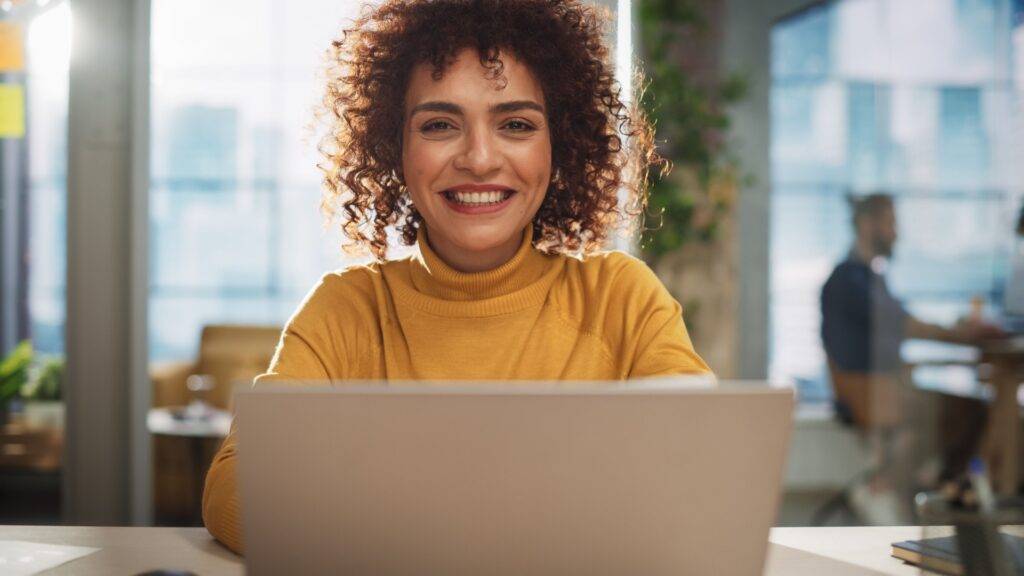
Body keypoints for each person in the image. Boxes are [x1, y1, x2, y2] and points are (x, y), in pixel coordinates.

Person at [202, 0, 710, 554]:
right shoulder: (345, 308)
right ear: (394, 147)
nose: (479, 158)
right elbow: (235, 488)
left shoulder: (620, 298)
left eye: (516, 124)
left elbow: (696, 476)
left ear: (557, 146)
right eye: (441, 124)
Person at [820, 193, 1001, 521]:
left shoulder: (870, 277)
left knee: (967, 410)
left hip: (887, 384)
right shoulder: (849, 280)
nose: (896, 233)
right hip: (869, 392)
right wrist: (957, 333)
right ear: (867, 224)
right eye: (891, 223)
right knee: (967, 411)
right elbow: (903, 323)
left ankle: (916, 488)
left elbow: (897, 323)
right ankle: (892, 487)